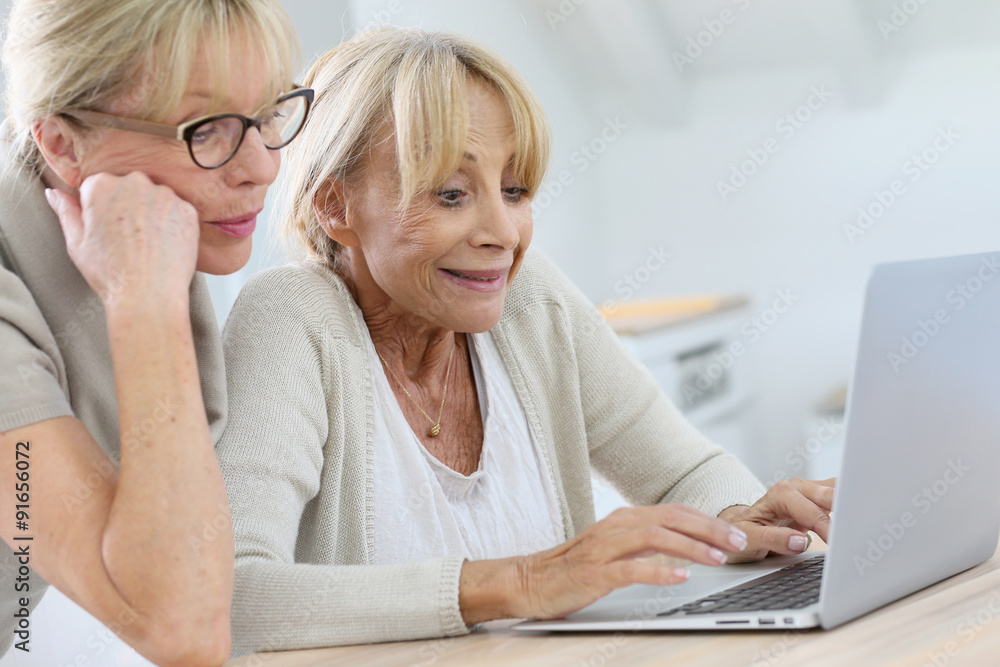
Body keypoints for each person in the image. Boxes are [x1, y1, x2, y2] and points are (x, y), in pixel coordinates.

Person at [217, 27, 835, 656]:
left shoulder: (528, 300)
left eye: (514, 191)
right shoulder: (291, 318)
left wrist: (731, 525)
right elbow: (232, 598)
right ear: (336, 207)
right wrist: (522, 582)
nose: (504, 233)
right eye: (451, 194)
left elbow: (688, 472)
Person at [0, 1, 308, 664]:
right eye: (206, 130)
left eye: (268, 115)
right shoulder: (142, 272)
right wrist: (143, 303)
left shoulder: (149, 233)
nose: (263, 167)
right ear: (61, 143)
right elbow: (183, 628)